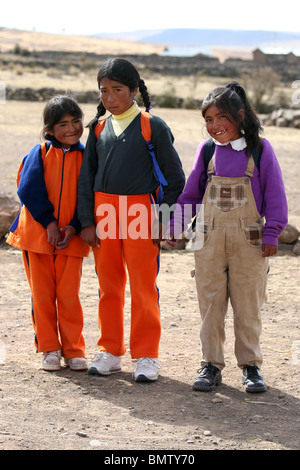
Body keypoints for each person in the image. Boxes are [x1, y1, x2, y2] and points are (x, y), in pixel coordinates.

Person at [168, 81, 288, 393]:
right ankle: (211, 364)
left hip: (250, 242)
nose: (215, 126)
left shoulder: (260, 150)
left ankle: (250, 366)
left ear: (240, 114)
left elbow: (275, 195)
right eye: (208, 120)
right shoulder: (206, 151)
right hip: (207, 242)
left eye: (221, 117)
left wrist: (272, 232)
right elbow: (191, 195)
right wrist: (174, 227)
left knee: (248, 304)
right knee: (210, 304)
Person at [77, 58, 185, 382]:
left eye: (117, 90)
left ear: (135, 90)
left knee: (143, 288)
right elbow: (86, 179)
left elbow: (175, 178)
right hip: (104, 212)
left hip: (142, 213)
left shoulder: (153, 126)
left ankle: (146, 356)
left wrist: (161, 217)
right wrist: (86, 221)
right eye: (104, 91)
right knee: (109, 287)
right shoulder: (97, 128)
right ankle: (109, 351)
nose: (109, 98)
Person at [7, 94, 90, 372]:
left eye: (76, 121)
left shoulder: (86, 157)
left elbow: (86, 196)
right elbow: (28, 189)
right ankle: (49, 348)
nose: (71, 129)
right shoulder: (39, 153)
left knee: (69, 296)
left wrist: (75, 227)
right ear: (49, 131)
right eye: (63, 124)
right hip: (38, 238)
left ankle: (74, 350)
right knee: (42, 296)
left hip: (71, 239)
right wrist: (50, 224)